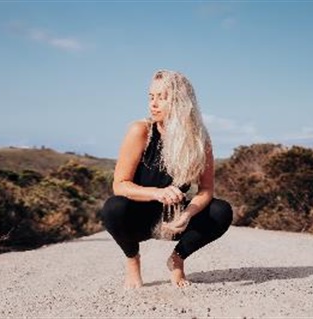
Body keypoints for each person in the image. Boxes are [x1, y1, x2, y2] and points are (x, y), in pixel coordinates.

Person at [100, 69, 233, 288]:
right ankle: (132, 260)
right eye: (151, 97)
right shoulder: (141, 130)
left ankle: (177, 259)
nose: (153, 104)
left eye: (162, 98)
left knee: (221, 211)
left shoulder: (200, 140)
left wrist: (189, 213)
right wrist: (156, 192)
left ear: (182, 102)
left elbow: (206, 189)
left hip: (175, 219)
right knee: (113, 207)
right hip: (139, 217)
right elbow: (120, 184)